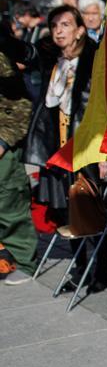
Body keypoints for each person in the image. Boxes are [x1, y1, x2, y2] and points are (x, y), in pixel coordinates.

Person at [0, 5, 107, 290]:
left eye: (65, 25)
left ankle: (100, 271)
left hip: (87, 144)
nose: (58, 31)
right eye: (55, 26)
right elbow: (25, 53)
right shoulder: (51, 57)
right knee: (64, 210)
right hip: (57, 146)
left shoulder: (95, 58)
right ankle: (80, 267)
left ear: (80, 30)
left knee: (92, 206)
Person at [0, 50, 34, 279]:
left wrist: (3, 140)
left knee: (9, 202)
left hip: (4, 142)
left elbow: (20, 99)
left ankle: (22, 262)